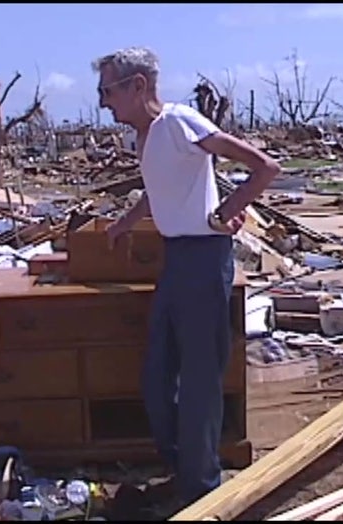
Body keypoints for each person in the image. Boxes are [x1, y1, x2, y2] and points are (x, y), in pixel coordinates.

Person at [91, 47, 280, 508]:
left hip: (202, 256)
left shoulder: (180, 122)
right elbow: (159, 192)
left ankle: (200, 486)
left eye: (107, 91)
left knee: (198, 377)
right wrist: (123, 223)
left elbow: (264, 167)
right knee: (158, 373)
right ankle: (182, 466)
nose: (102, 103)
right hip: (176, 258)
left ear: (138, 86)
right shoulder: (146, 137)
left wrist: (227, 212)